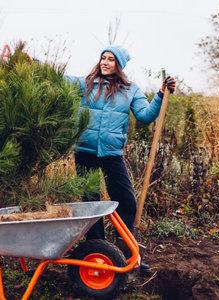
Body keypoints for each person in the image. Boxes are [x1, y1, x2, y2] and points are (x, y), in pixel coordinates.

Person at [65, 45, 176, 273]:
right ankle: (97, 253)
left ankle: (127, 255)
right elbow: (59, 78)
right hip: (85, 151)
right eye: (103, 58)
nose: (105, 62)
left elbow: (145, 116)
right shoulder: (85, 84)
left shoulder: (130, 90)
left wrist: (160, 94)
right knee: (91, 204)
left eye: (111, 60)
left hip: (111, 154)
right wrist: (34, 63)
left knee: (126, 201)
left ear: (119, 65)